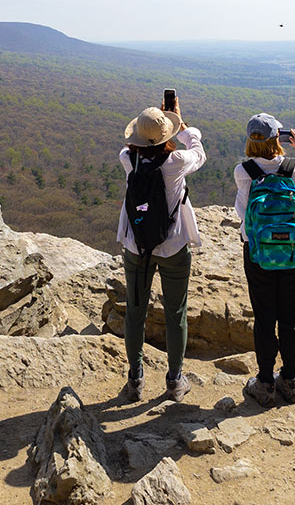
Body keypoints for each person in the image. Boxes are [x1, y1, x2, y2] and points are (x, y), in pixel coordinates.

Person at [116, 95, 206, 403]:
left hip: (136, 245)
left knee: (135, 311)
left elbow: (135, 148)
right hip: (174, 246)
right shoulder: (176, 162)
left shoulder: (127, 159)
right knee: (175, 312)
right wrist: (182, 125)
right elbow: (198, 153)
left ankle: (135, 379)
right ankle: (174, 380)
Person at [234, 112, 295, 406]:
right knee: (290, 318)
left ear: (250, 140)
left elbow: (242, 213)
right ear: (278, 138)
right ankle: (288, 380)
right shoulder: (294, 168)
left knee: (264, 318)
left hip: (258, 255)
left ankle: (264, 383)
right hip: (293, 255)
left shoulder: (244, 171)